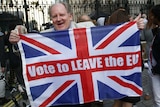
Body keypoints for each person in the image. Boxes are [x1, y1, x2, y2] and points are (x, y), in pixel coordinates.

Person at [9, 2, 144, 107]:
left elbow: (111, 43)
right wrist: (17, 38)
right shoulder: (45, 37)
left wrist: (133, 28)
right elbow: (28, 49)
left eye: (62, 15)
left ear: (70, 16)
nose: (59, 19)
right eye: (55, 16)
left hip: (82, 96)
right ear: (51, 19)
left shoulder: (86, 31)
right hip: (58, 97)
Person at [104, 8, 144, 107]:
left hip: (117, 75)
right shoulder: (131, 37)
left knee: (118, 101)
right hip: (130, 75)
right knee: (127, 102)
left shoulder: (109, 37)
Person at [146, 4, 160, 107]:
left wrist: (156, 69)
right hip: (155, 69)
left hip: (157, 70)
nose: (150, 18)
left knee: (158, 99)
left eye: (152, 16)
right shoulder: (157, 31)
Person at [0, 31, 9, 105]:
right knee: (2, 79)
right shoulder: (1, 38)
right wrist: (3, 65)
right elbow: (2, 52)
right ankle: (2, 98)